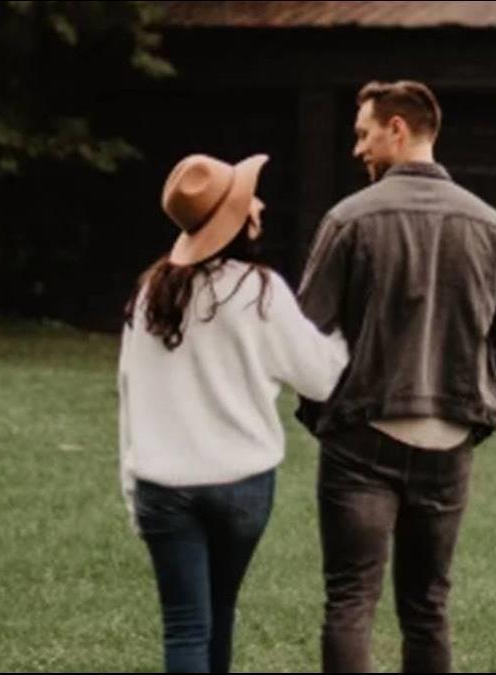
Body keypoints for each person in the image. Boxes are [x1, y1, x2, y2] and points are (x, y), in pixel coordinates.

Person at [296, 80, 496, 673]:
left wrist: (323, 414)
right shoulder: (492, 226)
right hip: (448, 439)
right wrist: (470, 412)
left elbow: (304, 335)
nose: (357, 148)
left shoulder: (348, 219)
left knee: (350, 601)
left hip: (361, 436)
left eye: (363, 134)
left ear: (396, 129)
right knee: (428, 609)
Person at [118, 153, 349, 673]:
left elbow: (129, 392)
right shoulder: (260, 290)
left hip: (161, 485)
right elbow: (320, 378)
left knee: (184, 625)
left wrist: (132, 489)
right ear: (237, 221)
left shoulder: (150, 292)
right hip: (241, 485)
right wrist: (345, 332)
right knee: (220, 610)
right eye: (249, 200)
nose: (259, 204)